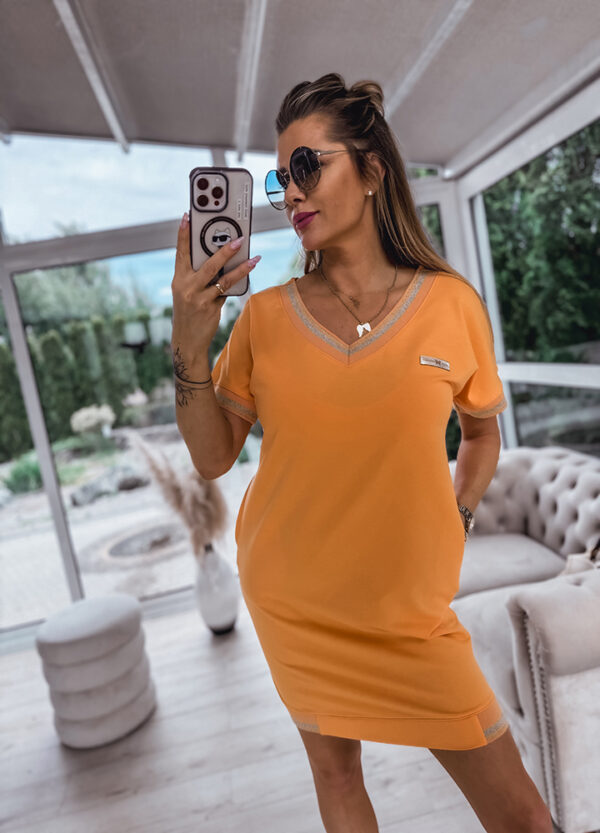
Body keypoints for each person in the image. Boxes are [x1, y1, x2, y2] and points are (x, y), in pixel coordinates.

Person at [171, 73, 553, 833]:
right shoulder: (264, 319)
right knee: (336, 776)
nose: (290, 192)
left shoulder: (452, 303)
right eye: (281, 180)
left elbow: (482, 431)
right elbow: (213, 458)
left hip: (412, 612)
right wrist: (190, 339)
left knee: (524, 818)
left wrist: (459, 512)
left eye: (306, 167)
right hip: (293, 599)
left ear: (372, 169)